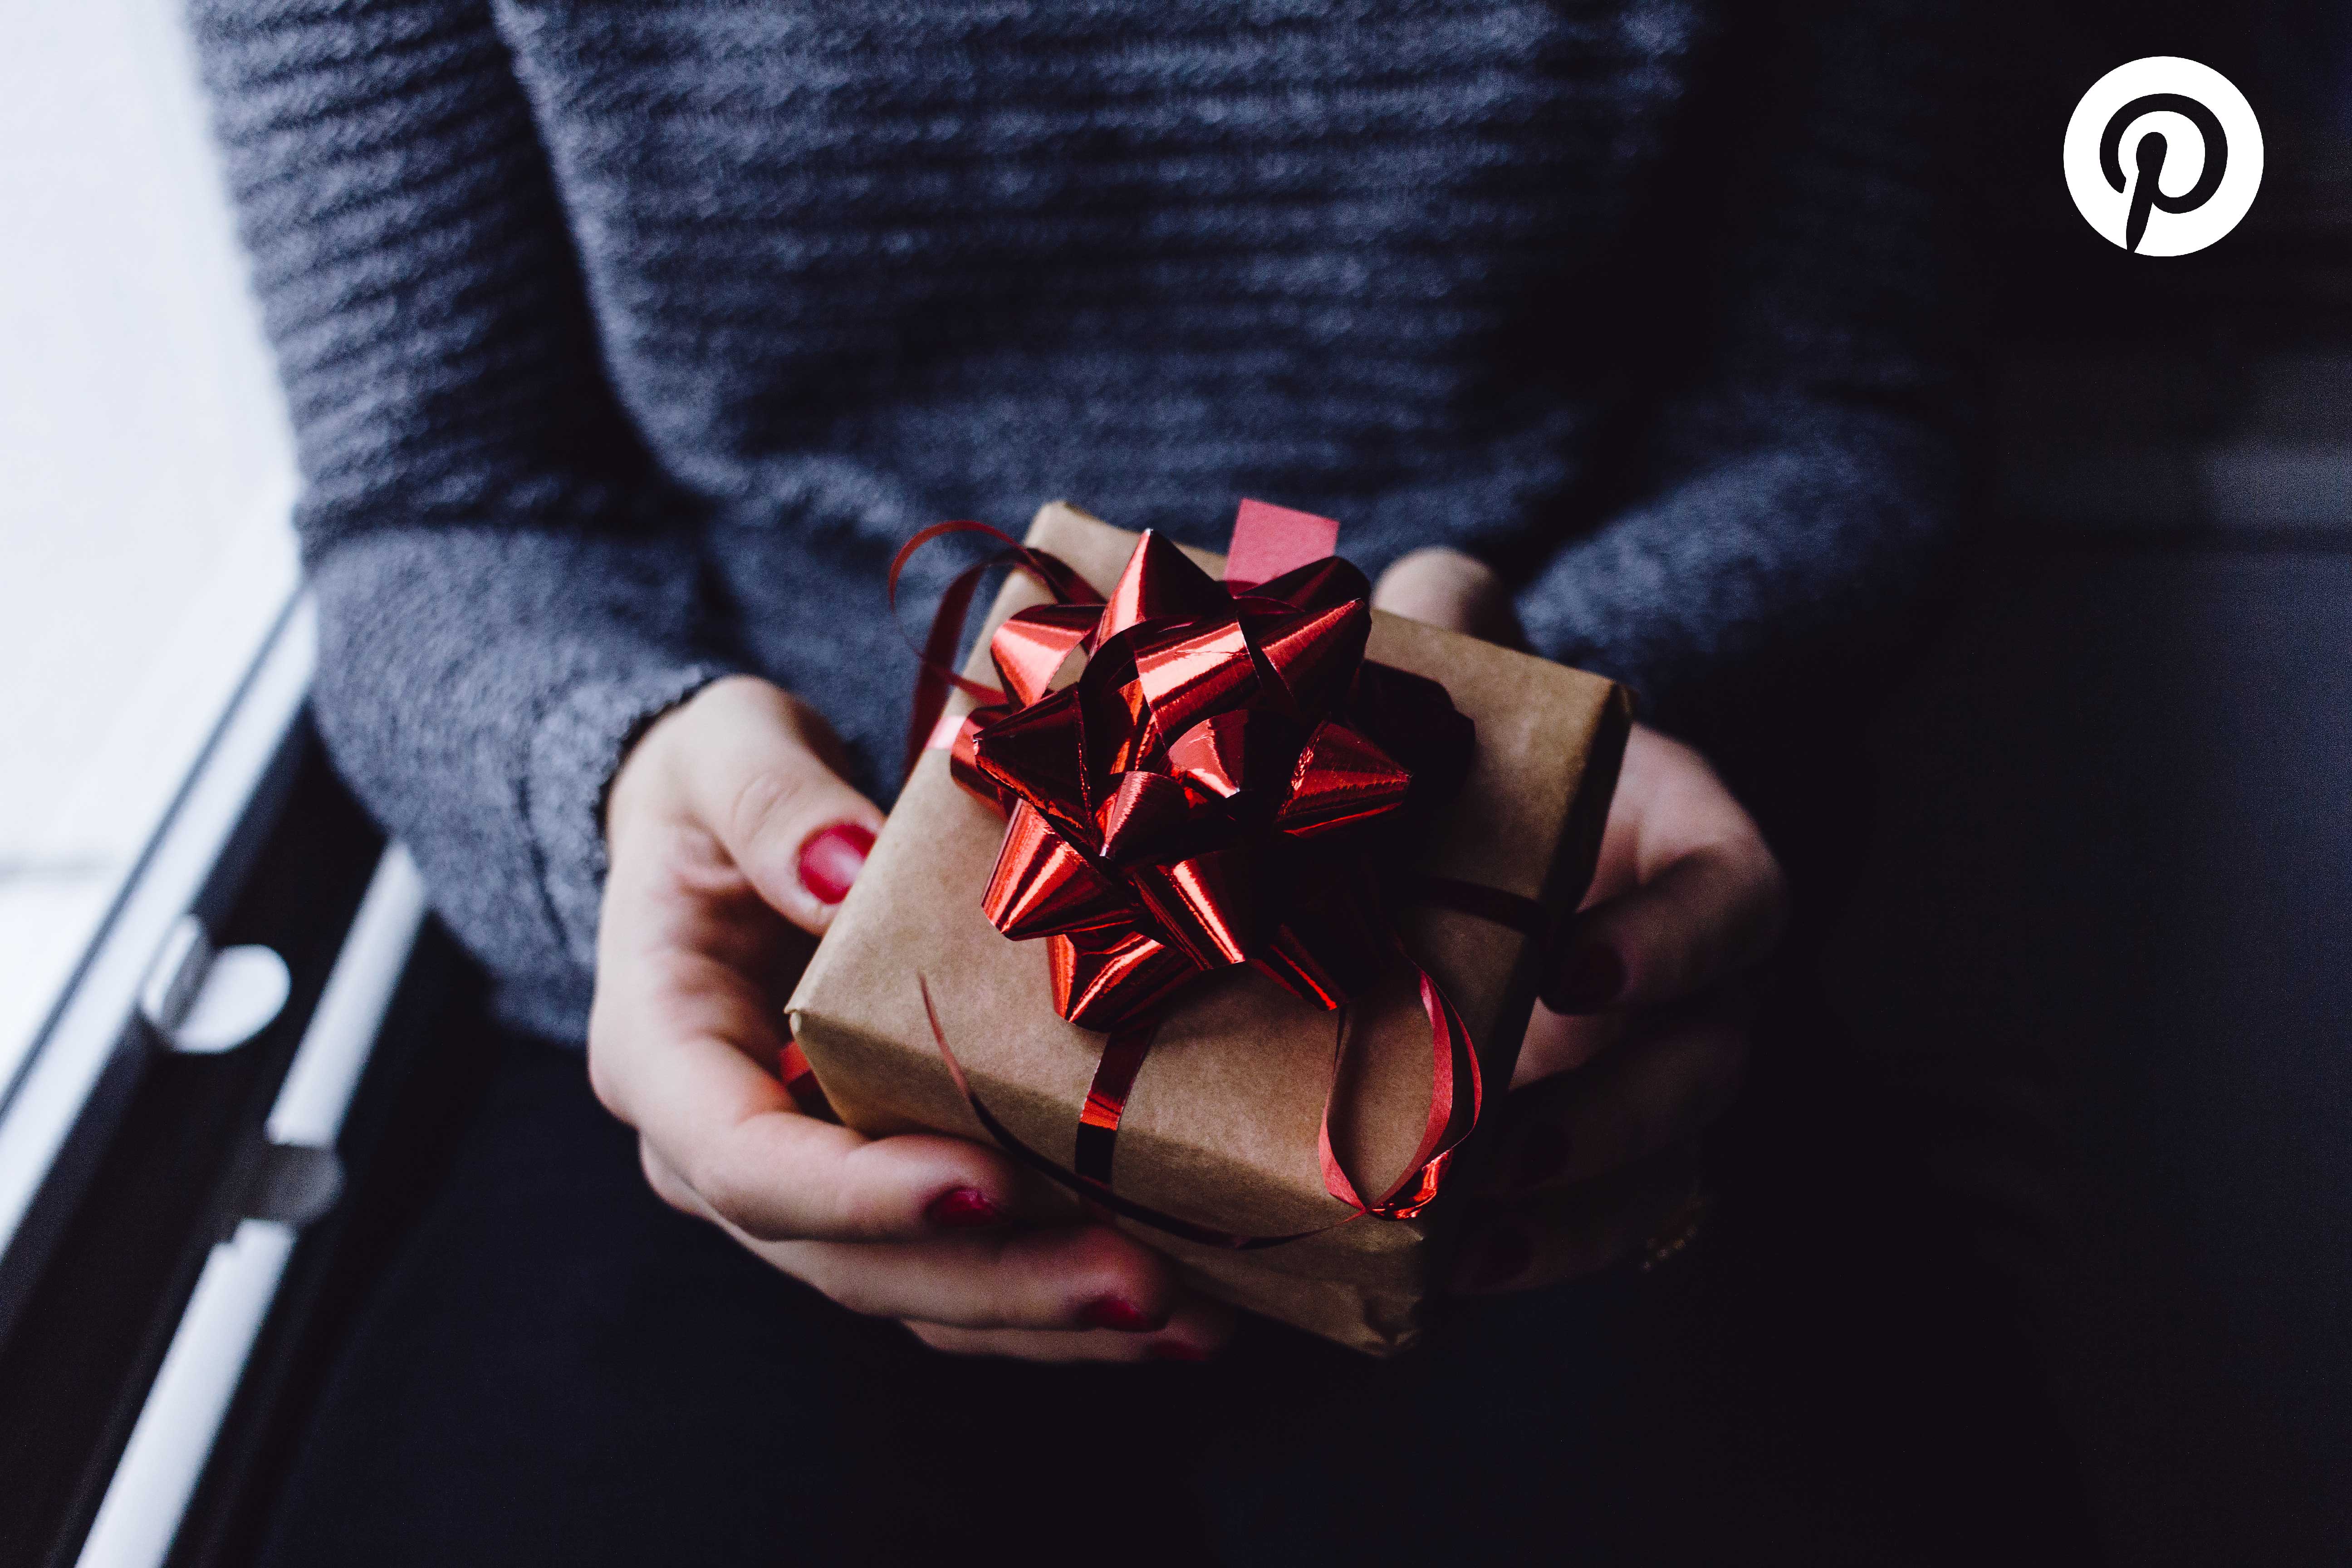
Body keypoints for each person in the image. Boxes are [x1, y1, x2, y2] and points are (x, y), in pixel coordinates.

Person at [193, 0, 2078, 1561]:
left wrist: (1548, 727)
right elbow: (438, 498)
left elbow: (1840, 410)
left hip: (1551, 965)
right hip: (780, 981)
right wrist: (604, 777)